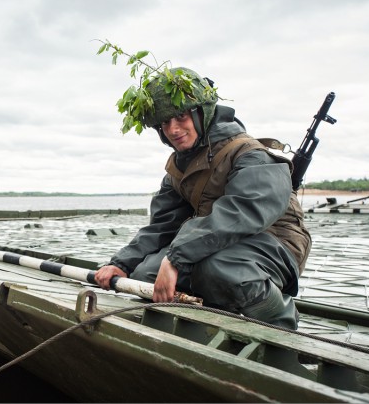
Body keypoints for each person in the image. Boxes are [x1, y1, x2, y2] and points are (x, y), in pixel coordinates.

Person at [94, 67, 311, 330]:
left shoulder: (249, 153)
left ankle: (282, 327)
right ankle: (205, 324)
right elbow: (162, 226)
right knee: (145, 275)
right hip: (212, 244)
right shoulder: (179, 166)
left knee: (219, 268)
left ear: (201, 112)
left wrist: (176, 257)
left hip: (276, 242)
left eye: (181, 116)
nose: (173, 129)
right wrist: (122, 263)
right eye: (164, 123)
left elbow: (244, 212)